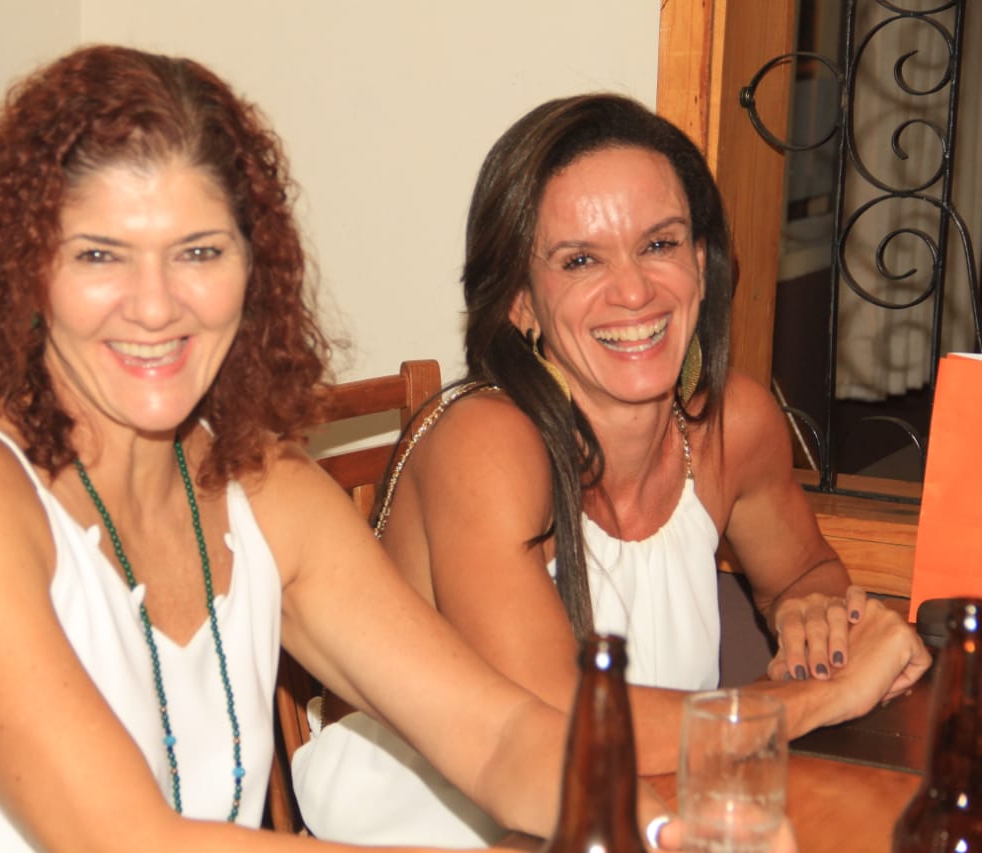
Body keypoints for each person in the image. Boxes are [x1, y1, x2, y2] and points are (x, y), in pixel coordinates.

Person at [0, 46, 666, 853]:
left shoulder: (263, 488)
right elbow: (125, 839)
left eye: (200, 251)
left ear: (254, 267)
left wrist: (676, 820)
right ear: (27, 271)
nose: (157, 306)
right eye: (100, 255)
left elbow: (496, 736)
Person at [290, 93, 931, 847]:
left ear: (700, 263)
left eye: (659, 244)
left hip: (642, 807)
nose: (633, 290)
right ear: (521, 303)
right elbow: (560, 724)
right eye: (581, 260)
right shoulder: (485, 444)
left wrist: (814, 616)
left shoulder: (734, 426)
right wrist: (825, 696)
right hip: (428, 830)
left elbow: (805, 571)